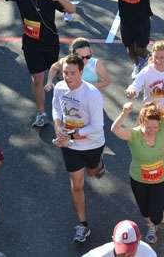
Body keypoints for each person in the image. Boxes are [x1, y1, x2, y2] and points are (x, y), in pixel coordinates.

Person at [0, 0, 76, 127]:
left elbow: (71, 10)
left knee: (55, 71)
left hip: (50, 43)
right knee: (37, 80)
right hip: (31, 44)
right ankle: (42, 113)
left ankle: (67, 102)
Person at [111, 98, 164, 245]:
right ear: (141, 123)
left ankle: (156, 220)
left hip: (160, 179)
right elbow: (115, 130)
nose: (153, 131)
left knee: (157, 217)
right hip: (139, 179)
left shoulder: (163, 126)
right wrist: (124, 113)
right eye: (148, 128)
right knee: (144, 211)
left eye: (155, 127)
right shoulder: (133, 135)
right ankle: (152, 224)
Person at [52, 54, 106, 243]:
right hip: (71, 145)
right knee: (77, 184)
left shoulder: (92, 94)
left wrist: (72, 134)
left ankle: (98, 165)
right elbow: (57, 109)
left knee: (92, 172)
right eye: (65, 72)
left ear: (81, 72)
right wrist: (58, 128)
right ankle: (82, 225)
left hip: (92, 144)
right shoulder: (59, 88)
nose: (68, 77)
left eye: (72, 73)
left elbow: (97, 127)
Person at [125, 41, 164, 191]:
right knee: (151, 148)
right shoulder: (146, 72)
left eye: (161, 57)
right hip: (151, 117)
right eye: (155, 56)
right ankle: (153, 172)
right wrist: (131, 91)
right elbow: (135, 86)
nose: (158, 60)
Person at [95, 0, 164, 77]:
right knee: (130, 48)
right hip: (126, 22)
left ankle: (150, 60)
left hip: (142, 20)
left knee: (140, 49)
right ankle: (137, 65)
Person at [45, 37, 112, 91]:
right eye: (82, 57)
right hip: (70, 98)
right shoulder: (67, 62)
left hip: (88, 99)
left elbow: (107, 81)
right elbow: (54, 68)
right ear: (74, 55)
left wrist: (90, 86)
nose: (85, 60)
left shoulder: (95, 63)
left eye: (88, 56)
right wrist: (49, 82)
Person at [81, 220, 156, 257]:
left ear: (139, 241)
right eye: (121, 255)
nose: (126, 255)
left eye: (130, 256)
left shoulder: (148, 254)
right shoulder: (100, 254)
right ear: (113, 240)